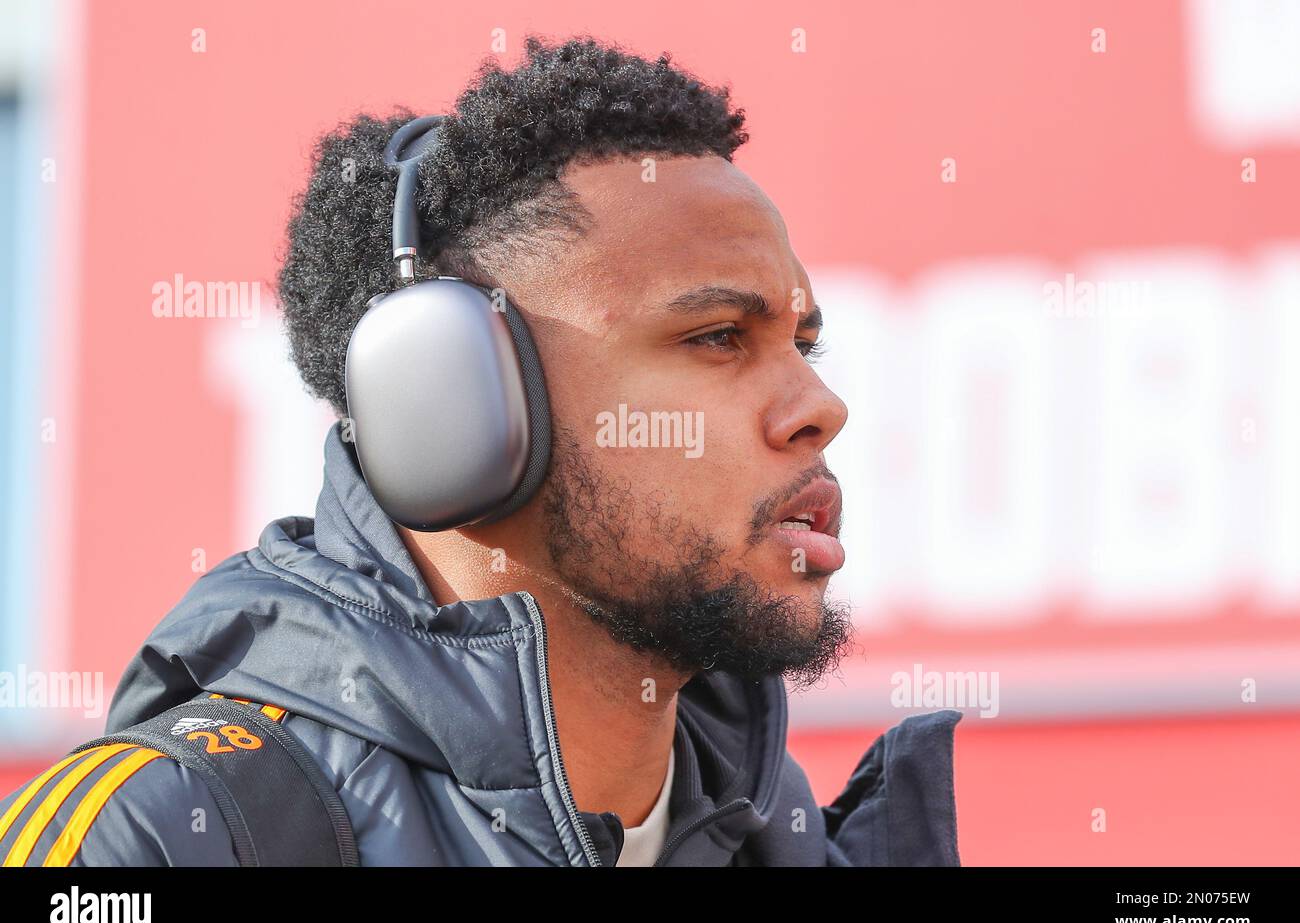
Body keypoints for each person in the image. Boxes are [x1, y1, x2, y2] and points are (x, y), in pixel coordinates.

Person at [0, 33, 961, 867]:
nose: (820, 407)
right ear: (455, 406)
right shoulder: (156, 838)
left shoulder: (804, 844)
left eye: (805, 344)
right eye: (716, 337)